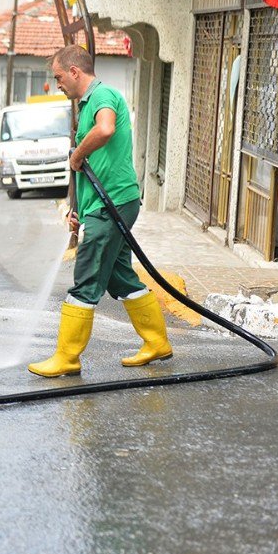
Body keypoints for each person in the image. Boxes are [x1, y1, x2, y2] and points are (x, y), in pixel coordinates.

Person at [28, 44, 172, 377]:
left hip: (113, 203)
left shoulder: (103, 97)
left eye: (59, 77)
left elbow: (105, 129)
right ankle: (157, 343)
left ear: (75, 72)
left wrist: (77, 153)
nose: (58, 83)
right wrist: (77, 208)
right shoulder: (88, 103)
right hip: (105, 203)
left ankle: (67, 356)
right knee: (120, 276)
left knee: (87, 278)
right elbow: (91, 168)